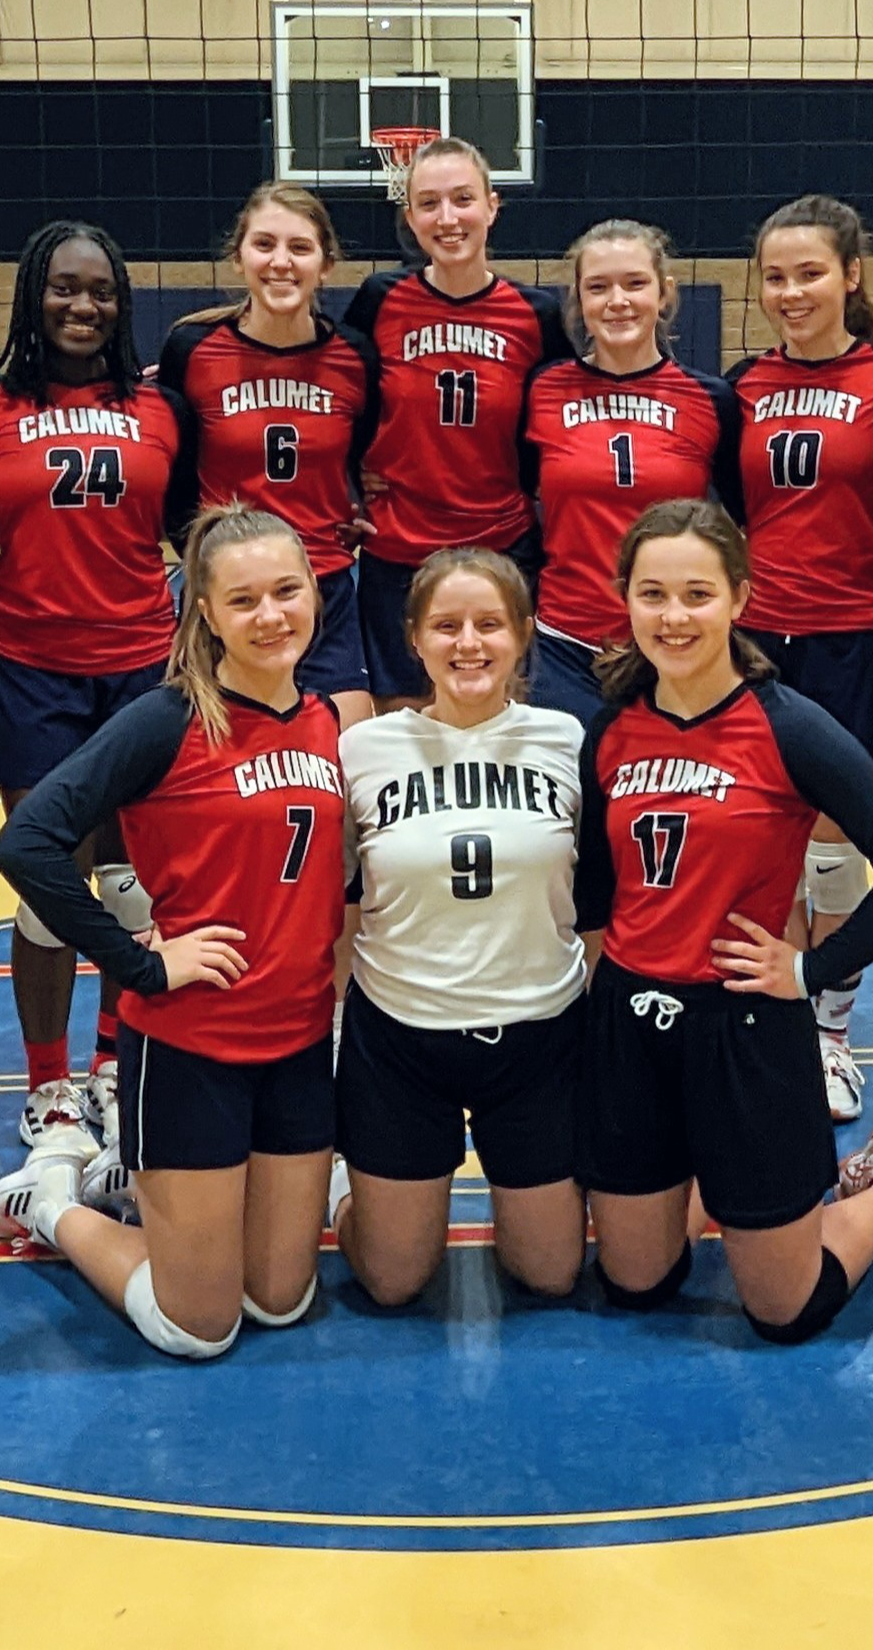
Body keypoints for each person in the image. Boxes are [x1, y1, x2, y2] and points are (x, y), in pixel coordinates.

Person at [573, 498, 873, 1343]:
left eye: (698, 594)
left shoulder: (788, 725)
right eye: (654, 594)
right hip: (633, 1027)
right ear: (625, 599)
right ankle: (716, 1178)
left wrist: (808, 972)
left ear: (739, 598)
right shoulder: (611, 728)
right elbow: (597, 892)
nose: (674, 617)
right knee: (638, 1283)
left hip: (745, 1029)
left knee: (784, 1310)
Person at [0, 504, 344, 1360]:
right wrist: (139, 964)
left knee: (280, 1301)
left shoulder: (326, 720)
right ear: (206, 612)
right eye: (244, 599)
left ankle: (141, 1188)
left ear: (314, 593)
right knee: (199, 1326)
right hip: (191, 1052)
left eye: (286, 592)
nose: (270, 616)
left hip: (296, 1049)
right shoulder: (169, 717)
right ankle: (52, 1203)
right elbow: (25, 844)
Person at [0, 220, 197, 1161]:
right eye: (63, 288)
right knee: (50, 884)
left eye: (100, 290)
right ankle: (47, 1086)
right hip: (31, 671)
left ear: (122, 303)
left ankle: (111, 1066)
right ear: (31, 296)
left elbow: (195, 528)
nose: (82, 305)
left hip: (143, 670)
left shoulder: (165, 409)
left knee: (133, 890)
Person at [334, 547, 588, 1306]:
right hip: (402, 1037)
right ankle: (345, 1190)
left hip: (539, 1033)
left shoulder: (571, 741)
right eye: (446, 625)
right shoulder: (361, 750)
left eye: (489, 624)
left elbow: (601, 903)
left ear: (524, 633)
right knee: (393, 1281)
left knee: (550, 1273)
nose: (467, 643)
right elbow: (336, 900)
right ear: (413, 638)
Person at [721, 196, 873, 1122]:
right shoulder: (740, 385)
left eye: (810, 273)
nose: (791, 292)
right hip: (754, 638)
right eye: (777, 276)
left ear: (851, 275)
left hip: (852, 635)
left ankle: (830, 1029)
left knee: (833, 845)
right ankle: (776, 1017)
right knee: (763, 840)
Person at [342, 137, 572, 711]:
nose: (448, 218)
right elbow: (331, 391)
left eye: (463, 199)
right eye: (429, 203)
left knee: (499, 713)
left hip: (501, 545)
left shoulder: (536, 314)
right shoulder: (380, 299)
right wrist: (348, 480)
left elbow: (569, 418)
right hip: (399, 548)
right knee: (407, 720)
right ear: (410, 216)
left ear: (493, 207)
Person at [160, 183, 379, 725]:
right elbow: (174, 475)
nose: (281, 262)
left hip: (324, 582)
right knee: (225, 761)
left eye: (300, 248)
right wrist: (201, 556)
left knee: (346, 751)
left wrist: (360, 514)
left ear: (326, 264)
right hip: (226, 587)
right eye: (264, 245)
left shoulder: (355, 356)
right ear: (238, 258)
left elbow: (364, 458)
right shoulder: (192, 349)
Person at [520, 219, 741, 727]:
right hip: (565, 646)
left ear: (664, 293)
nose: (617, 300)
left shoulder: (712, 400)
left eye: (634, 284)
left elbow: (742, 521)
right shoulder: (543, 390)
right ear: (578, 300)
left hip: (674, 643)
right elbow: (513, 489)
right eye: (598, 287)